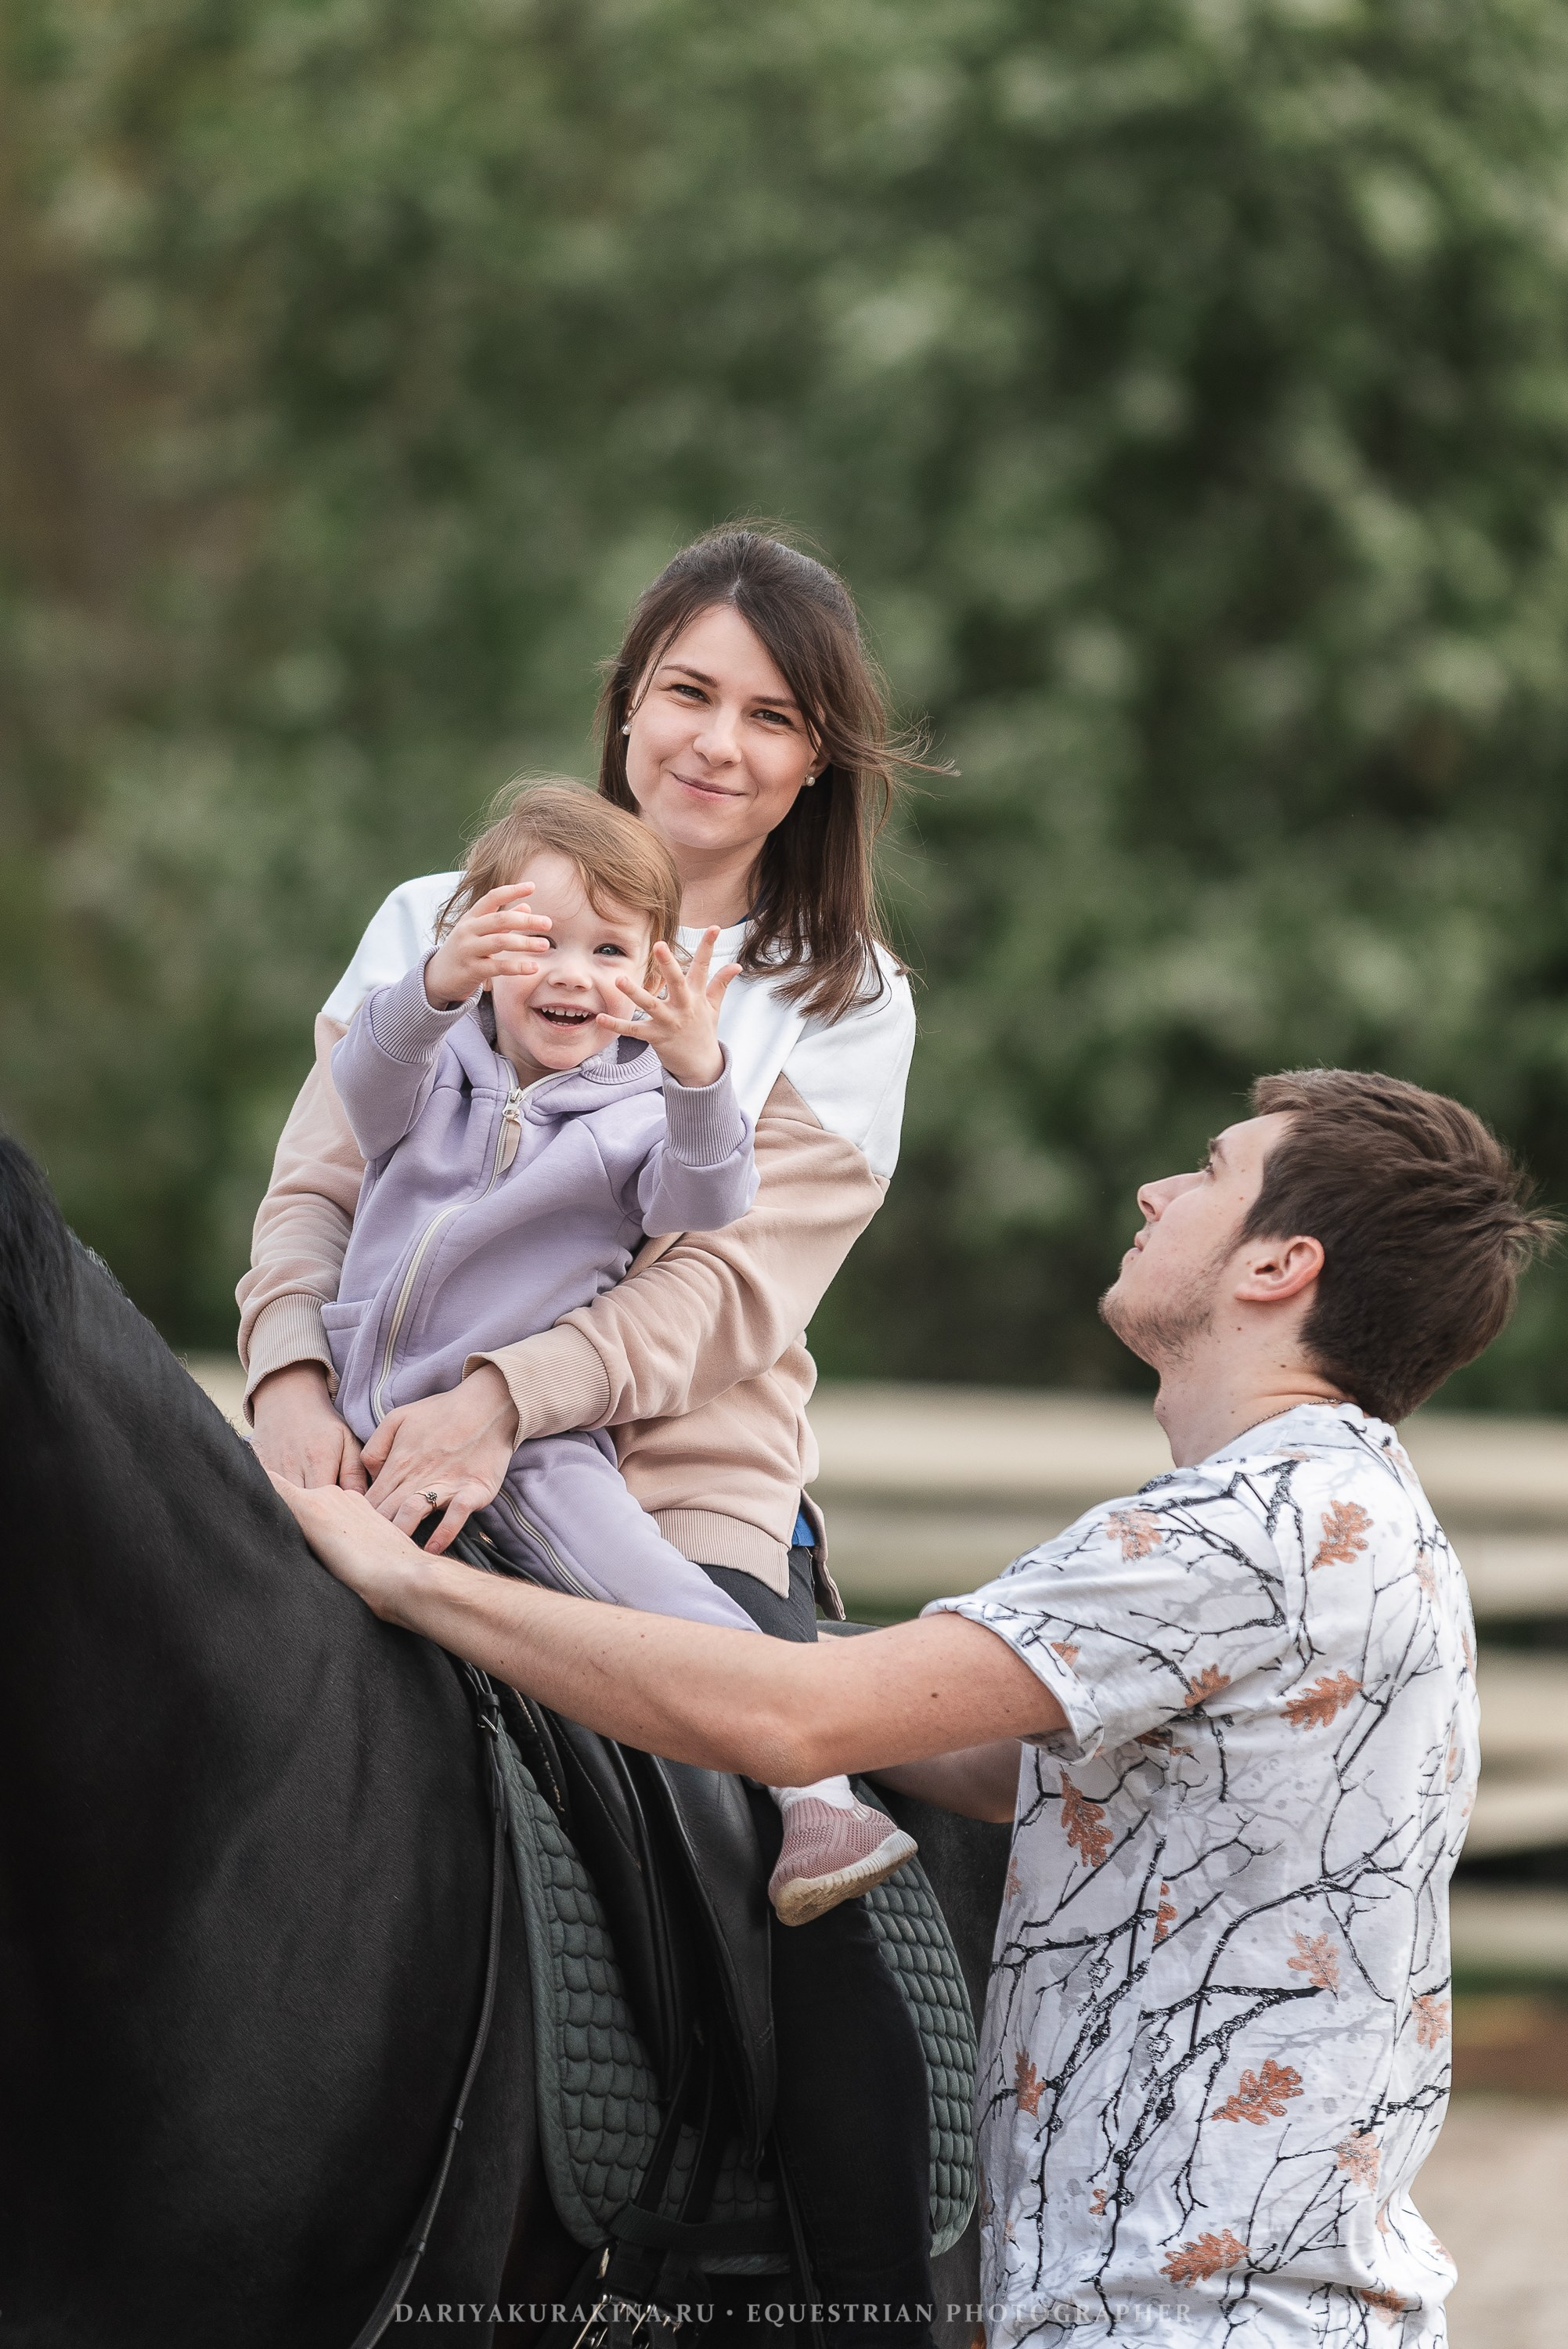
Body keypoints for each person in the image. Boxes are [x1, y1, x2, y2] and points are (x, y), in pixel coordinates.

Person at [275, 1068, 1555, 2347]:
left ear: (1279, 1267)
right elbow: (991, 1761)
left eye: (1209, 1173)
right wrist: (687, 1606)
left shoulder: (1243, 1533)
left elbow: (797, 1721)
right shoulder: (1353, 1519)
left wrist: (408, 1580)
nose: (1158, 1192)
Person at [240, 527, 939, 2340]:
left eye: (769, 715)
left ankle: (846, 2286)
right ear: (628, 706)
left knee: (770, 1814)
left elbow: (719, 1297)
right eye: (687, 691)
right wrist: (292, 1389)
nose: (718, 741)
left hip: (671, 1478)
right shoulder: (446, 910)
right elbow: (322, 1182)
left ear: (817, 761)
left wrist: (501, 1401)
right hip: (367, 1424)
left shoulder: (839, 1000)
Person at [326, 778, 915, 1920]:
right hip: (359, 1401)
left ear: (650, 978)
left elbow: (708, 1199)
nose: (571, 975)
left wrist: (699, 1072)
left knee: (649, 1590)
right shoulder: (439, 1061)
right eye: (537, 942)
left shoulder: (642, 1107)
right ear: (482, 944)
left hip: (537, 1436)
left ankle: (814, 1785)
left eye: (610, 954)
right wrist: (438, 983)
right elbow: (360, 1096)